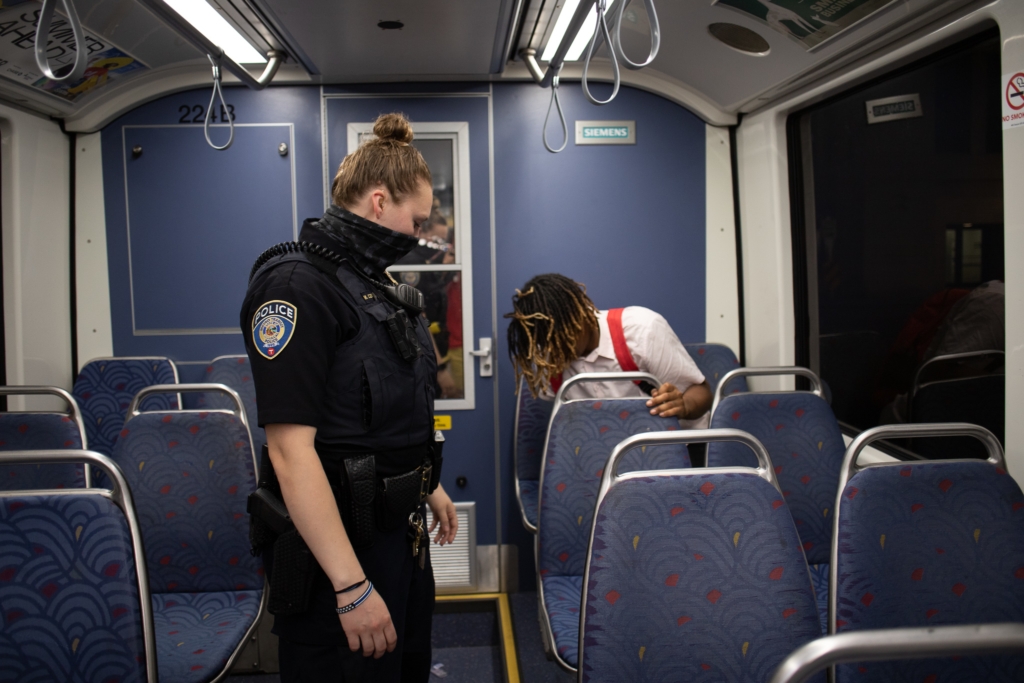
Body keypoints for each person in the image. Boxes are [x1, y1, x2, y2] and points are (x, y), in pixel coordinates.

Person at [241, 112, 458, 682]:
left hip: (399, 540)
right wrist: (351, 585)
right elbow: (290, 453)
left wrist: (427, 486)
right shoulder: (296, 287)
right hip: (338, 560)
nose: (419, 234)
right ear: (380, 203)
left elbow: (390, 414)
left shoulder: (378, 290)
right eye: (416, 220)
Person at [505, 273, 712, 428]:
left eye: (561, 339)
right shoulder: (547, 359)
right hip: (606, 454)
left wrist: (683, 405)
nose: (553, 350)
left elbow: (702, 393)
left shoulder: (642, 329)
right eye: (545, 343)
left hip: (676, 450)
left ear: (580, 314)